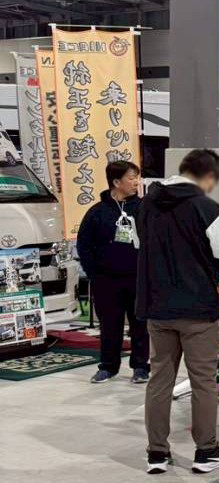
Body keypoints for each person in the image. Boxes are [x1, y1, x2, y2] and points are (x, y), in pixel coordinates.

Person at [138, 149, 219, 475]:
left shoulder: (146, 205)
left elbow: (141, 245)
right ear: (208, 176)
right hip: (197, 309)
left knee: (159, 380)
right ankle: (206, 451)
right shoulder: (208, 209)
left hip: (157, 307)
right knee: (203, 381)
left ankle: (157, 453)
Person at [76, 161, 149, 384]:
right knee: (109, 325)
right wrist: (95, 274)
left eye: (137, 177)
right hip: (106, 280)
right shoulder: (97, 212)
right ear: (116, 182)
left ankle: (140, 367)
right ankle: (108, 366)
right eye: (131, 178)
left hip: (138, 278)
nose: (136, 182)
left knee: (140, 325)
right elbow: (84, 245)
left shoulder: (144, 209)